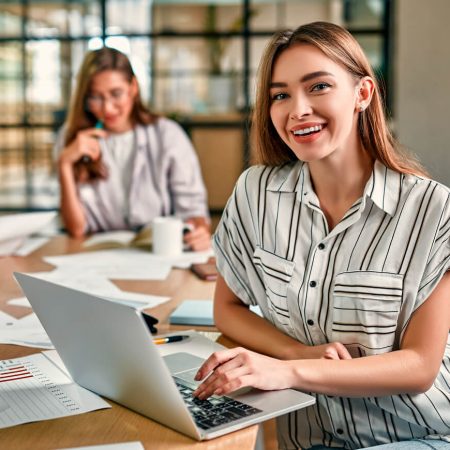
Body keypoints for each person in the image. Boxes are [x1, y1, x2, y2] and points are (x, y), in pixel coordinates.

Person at [192, 21, 450, 449]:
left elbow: (421, 366)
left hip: (415, 433)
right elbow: (228, 308)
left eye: (318, 87)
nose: (297, 110)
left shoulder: (433, 209)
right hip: (308, 439)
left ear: (362, 95)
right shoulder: (255, 193)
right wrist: (296, 353)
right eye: (280, 95)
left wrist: (285, 371)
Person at [54, 47, 211, 251]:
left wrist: (198, 231)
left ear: (133, 87)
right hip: (97, 256)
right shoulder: (72, 138)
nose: (107, 108)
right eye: (95, 97)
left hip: (158, 254)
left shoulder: (168, 135)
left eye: (116, 94)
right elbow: (76, 229)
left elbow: (194, 213)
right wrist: (65, 164)